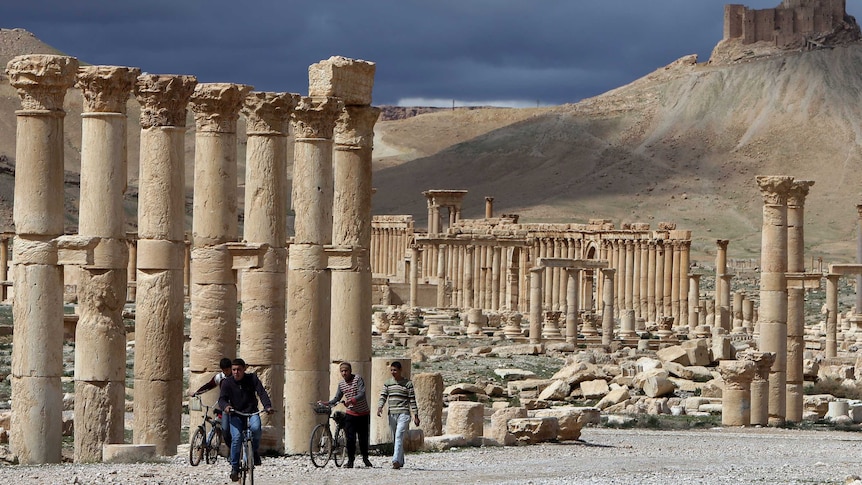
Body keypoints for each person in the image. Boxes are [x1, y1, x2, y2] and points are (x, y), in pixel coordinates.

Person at [218, 358, 274, 482]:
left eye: (239, 369)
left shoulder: (252, 379)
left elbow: (262, 393)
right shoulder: (227, 383)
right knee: (236, 438)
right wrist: (226, 407)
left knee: (256, 429)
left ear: (244, 369)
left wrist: (267, 406)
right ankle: (234, 467)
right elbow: (221, 399)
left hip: (252, 412)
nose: (236, 372)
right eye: (234, 370)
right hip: (236, 414)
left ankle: (254, 451)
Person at [320, 362, 373, 468]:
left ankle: (365, 458)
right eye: (342, 371)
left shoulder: (358, 379)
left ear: (350, 371)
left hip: (363, 413)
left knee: (363, 438)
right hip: (351, 414)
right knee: (350, 438)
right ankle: (350, 461)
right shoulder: (341, 384)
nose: (344, 373)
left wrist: (352, 400)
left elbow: (362, 393)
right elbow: (337, 398)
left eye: (346, 371)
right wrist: (327, 403)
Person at [376, 361, 419, 469]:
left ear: (400, 370)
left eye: (395, 370)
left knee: (399, 435)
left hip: (404, 413)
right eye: (391, 370)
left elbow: (412, 400)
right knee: (396, 437)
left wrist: (415, 415)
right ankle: (401, 461)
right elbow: (383, 396)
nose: (393, 372)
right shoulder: (388, 383)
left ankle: (395, 460)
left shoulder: (408, 384)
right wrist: (380, 407)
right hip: (392, 414)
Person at [189, 357, 233, 444]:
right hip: (224, 404)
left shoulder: (235, 376)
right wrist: (197, 392)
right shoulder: (220, 377)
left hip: (235, 404)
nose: (225, 372)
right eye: (224, 370)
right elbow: (209, 385)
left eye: (227, 370)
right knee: (225, 430)